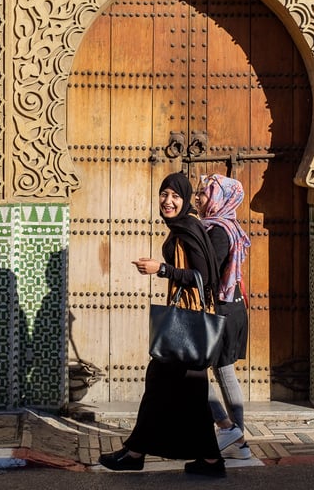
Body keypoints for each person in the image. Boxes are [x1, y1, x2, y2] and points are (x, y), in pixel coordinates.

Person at [98, 171, 226, 477]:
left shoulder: (188, 228)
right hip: (187, 325)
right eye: (164, 194)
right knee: (191, 396)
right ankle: (210, 461)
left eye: (175, 196)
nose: (168, 201)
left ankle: (135, 453)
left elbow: (203, 278)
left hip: (187, 325)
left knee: (159, 384)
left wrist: (162, 269)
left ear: (185, 200)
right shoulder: (183, 226)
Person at [195, 173, 253, 460]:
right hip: (232, 308)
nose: (198, 198)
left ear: (218, 199)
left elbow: (208, 274)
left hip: (223, 311)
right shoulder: (226, 227)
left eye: (203, 194)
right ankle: (238, 442)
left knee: (192, 373)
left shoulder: (218, 231)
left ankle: (230, 431)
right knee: (224, 371)